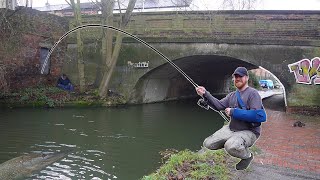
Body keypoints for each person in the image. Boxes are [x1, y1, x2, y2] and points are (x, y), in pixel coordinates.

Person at [196, 67, 266, 170]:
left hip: (249, 131)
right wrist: (205, 94)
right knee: (208, 143)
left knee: (231, 146)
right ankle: (233, 142)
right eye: (235, 77)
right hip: (232, 128)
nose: (237, 79)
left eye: (240, 76)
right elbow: (219, 106)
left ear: (246, 78)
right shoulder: (232, 95)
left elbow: (257, 116)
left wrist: (234, 112)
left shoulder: (253, 94)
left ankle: (247, 156)